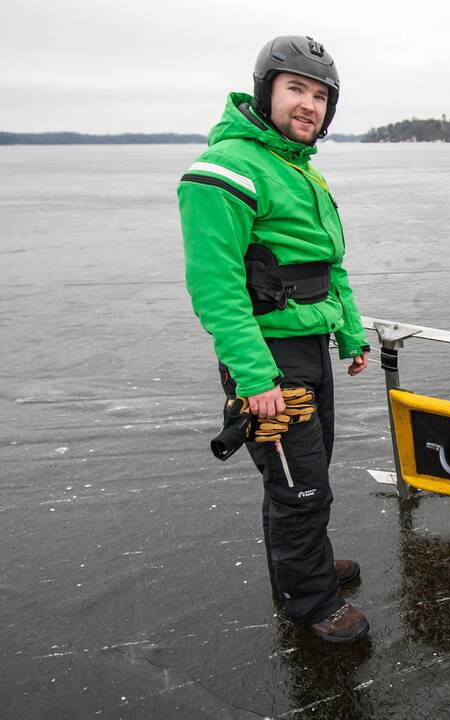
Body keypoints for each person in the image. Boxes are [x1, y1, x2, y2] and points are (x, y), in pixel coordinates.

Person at [178, 36, 370, 642]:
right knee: (300, 485)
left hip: (310, 347)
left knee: (302, 475)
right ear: (266, 91)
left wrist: (351, 333)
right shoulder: (227, 167)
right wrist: (255, 378)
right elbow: (216, 287)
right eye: (296, 89)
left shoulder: (299, 170)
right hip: (270, 357)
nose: (308, 104)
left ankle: (301, 566)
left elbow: (329, 266)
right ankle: (311, 600)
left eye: (319, 96)